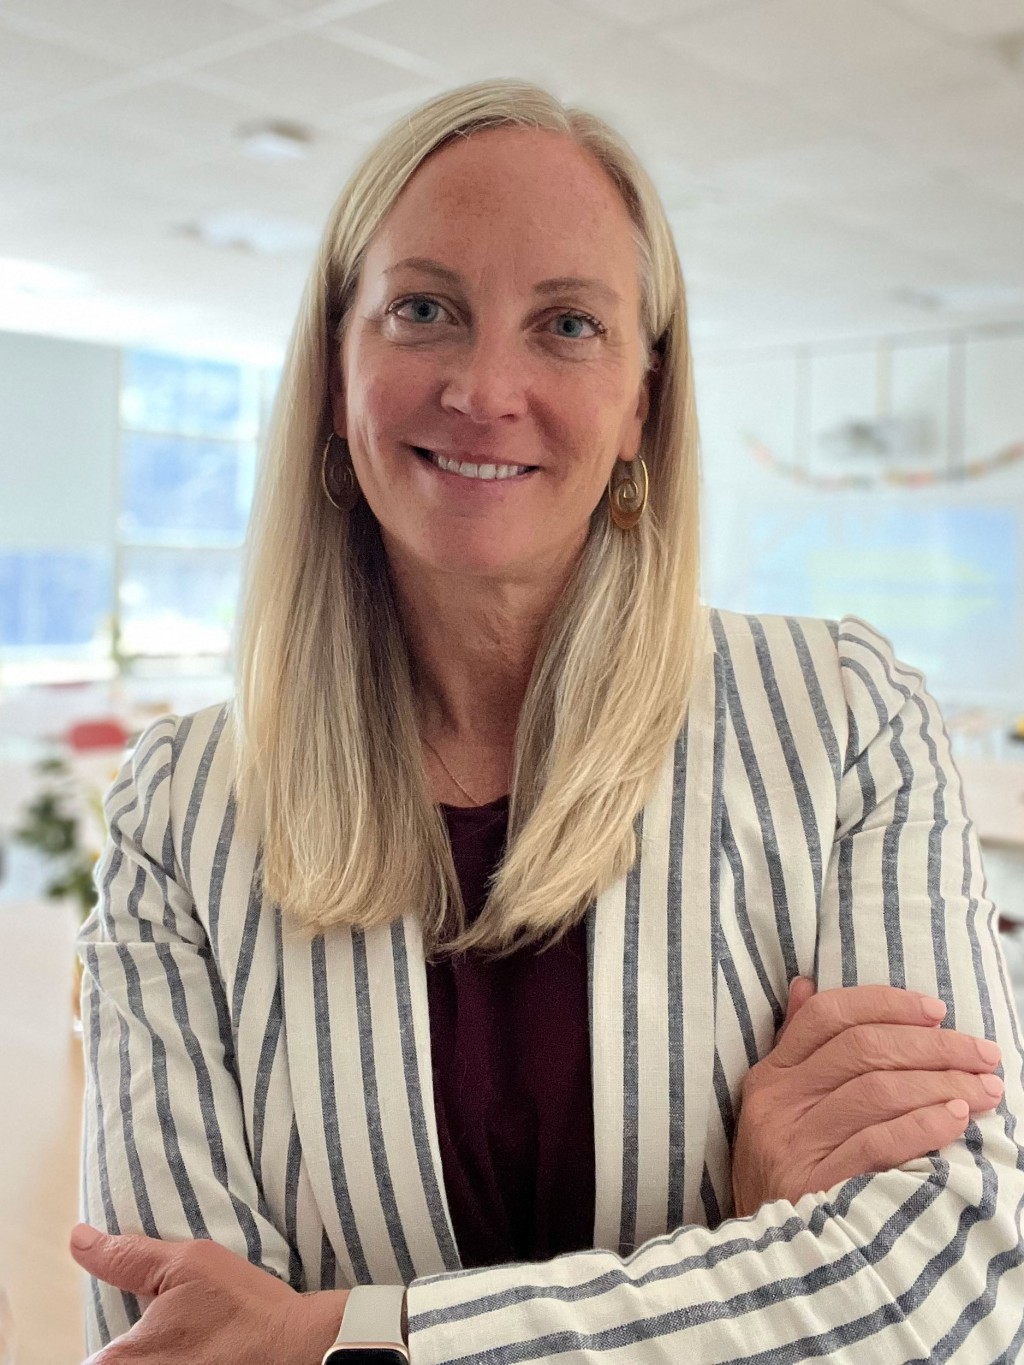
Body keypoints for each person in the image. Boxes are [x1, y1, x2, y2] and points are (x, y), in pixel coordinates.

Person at [72, 80, 1024, 1363]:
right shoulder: (180, 805)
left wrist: (333, 1333)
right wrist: (744, 1249)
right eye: (424, 310)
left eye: (566, 324)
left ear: (641, 401)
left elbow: (948, 1289)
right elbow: (180, 1339)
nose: (484, 386)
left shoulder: (841, 718)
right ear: (334, 364)